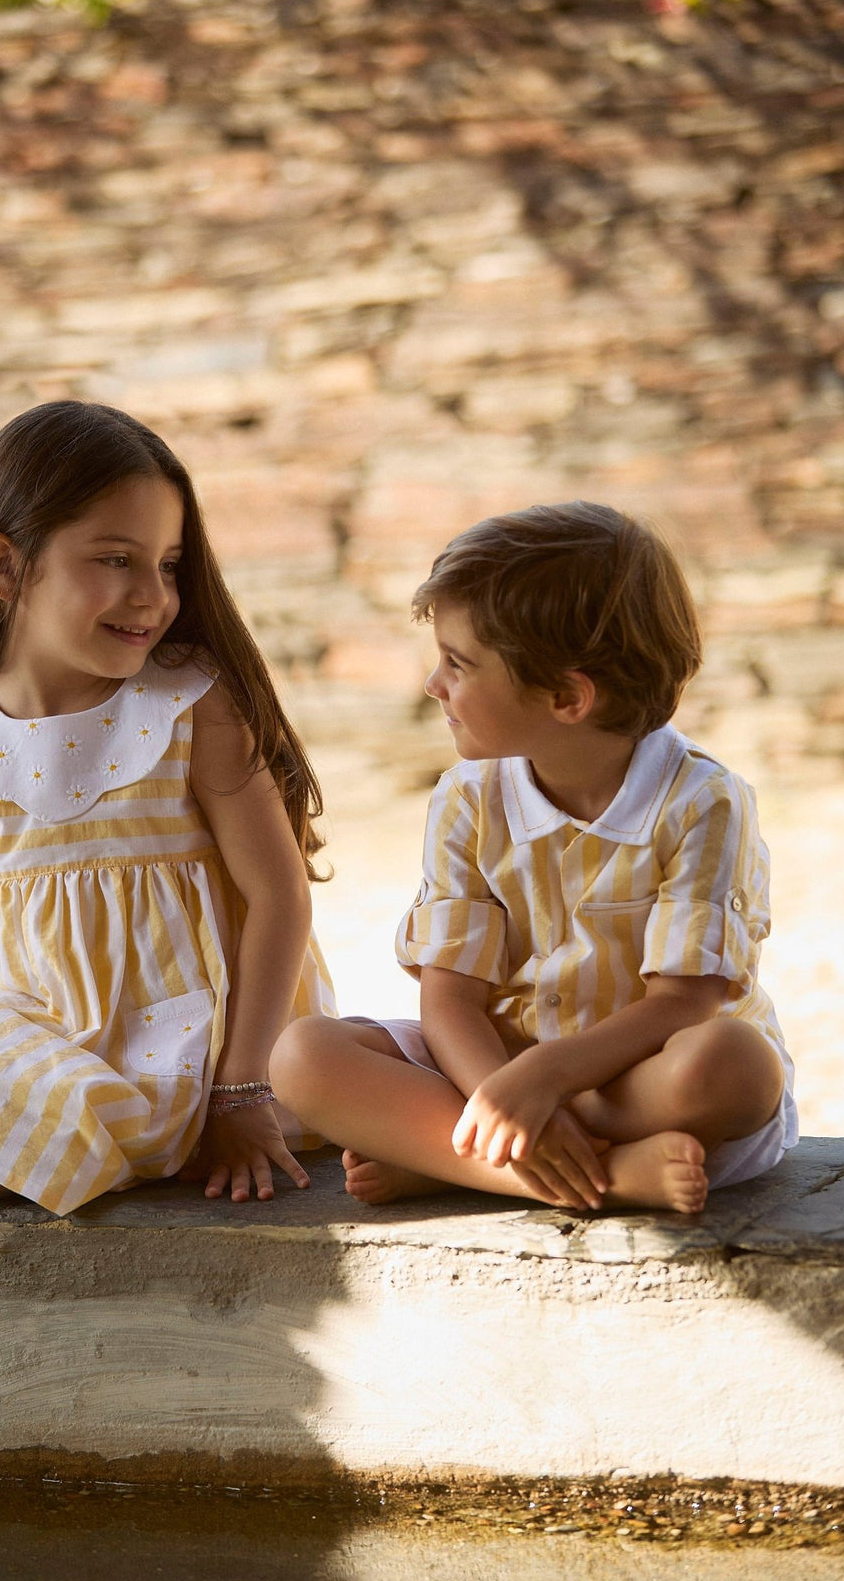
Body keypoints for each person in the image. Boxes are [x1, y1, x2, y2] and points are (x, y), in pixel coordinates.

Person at [0, 401, 334, 1214]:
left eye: (170, 564)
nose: (152, 596)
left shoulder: (187, 706)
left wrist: (242, 1089)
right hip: (26, 1046)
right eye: (115, 559)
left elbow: (279, 898)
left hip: (186, 1056)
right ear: (5, 567)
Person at [271, 502, 797, 1216]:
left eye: (458, 663)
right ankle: (597, 1176)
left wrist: (548, 1078)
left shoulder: (705, 802)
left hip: (635, 1083)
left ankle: (451, 1161)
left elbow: (685, 1000)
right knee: (302, 1057)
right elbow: (450, 997)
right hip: (491, 1063)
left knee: (736, 1065)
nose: (433, 685)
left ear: (566, 696)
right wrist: (506, 1090)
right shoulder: (468, 798)